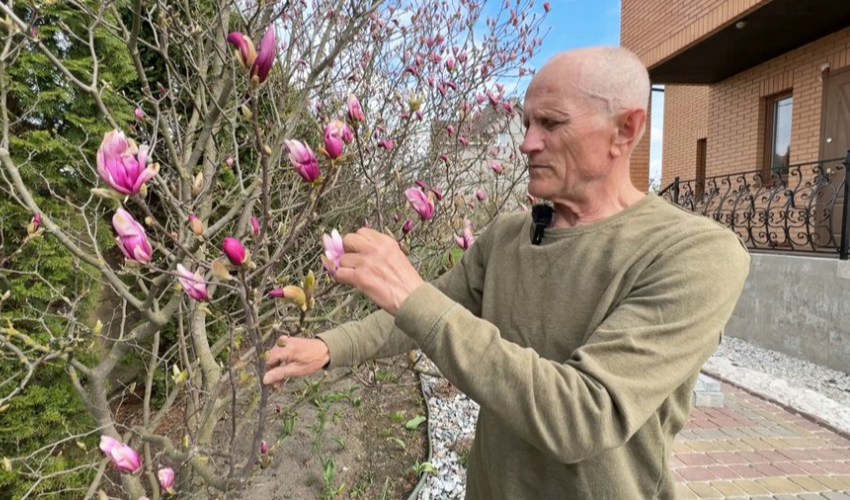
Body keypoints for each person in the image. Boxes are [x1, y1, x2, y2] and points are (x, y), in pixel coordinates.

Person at [263, 47, 750, 499]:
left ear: (626, 129)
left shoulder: (694, 253)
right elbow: (419, 309)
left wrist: (412, 295)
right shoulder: (509, 235)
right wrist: (330, 347)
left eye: (551, 123)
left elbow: (583, 415)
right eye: (526, 123)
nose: (527, 143)